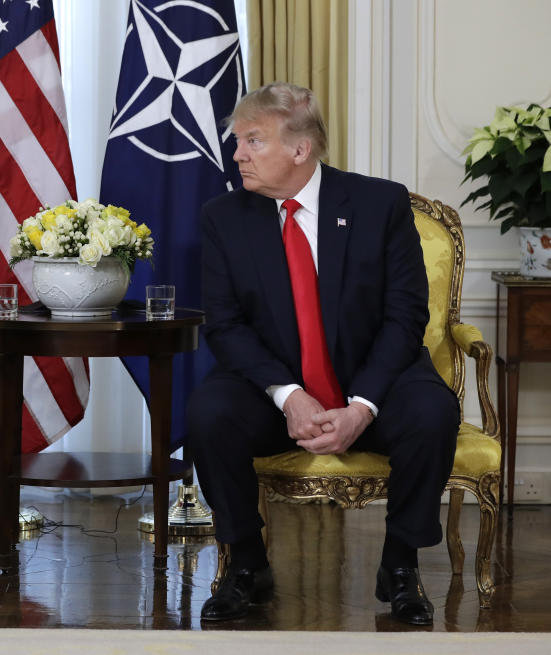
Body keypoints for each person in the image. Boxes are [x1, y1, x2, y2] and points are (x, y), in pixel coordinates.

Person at [186, 82, 459, 626]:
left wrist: (362, 406)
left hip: (373, 378)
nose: (237, 154)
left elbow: (406, 317)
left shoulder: (379, 203)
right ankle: (246, 563)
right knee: (208, 414)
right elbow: (226, 324)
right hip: (274, 389)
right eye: (237, 142)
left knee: (434, 413)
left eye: (251, 141)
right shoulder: (224, 217)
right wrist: (289, 396)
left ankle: (400, 565)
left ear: (299, 149)